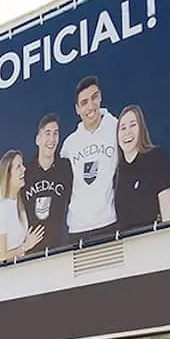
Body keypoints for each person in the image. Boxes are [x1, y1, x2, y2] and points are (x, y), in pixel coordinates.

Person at [59, 76, 119, 245]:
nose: (90, 106)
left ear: (100, 97)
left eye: (94, 98)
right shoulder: (70, 143)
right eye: (84, 102)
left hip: (108, 221)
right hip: (77, 228)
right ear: (77, 109)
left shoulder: (116, 127)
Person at [114, 104, 170, 231]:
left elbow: (167, 206)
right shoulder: (117, 172)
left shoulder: (156, 158)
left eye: (133, 125)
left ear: (141, 129)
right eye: (123, 128)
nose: (128, 132)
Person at [20, 114, 72, 255]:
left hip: (59, 248)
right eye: (47, 133)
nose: (52, 139)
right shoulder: (26, 172)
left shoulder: (65, 167)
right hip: (32, 253)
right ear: (38, 139)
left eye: (55, 133)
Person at [0, 150, 45, 262]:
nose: (24, 169)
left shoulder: (20, 205)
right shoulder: (2, 209)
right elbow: (1, 256)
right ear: (8, 174)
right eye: (18, 167)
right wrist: (25, 246)